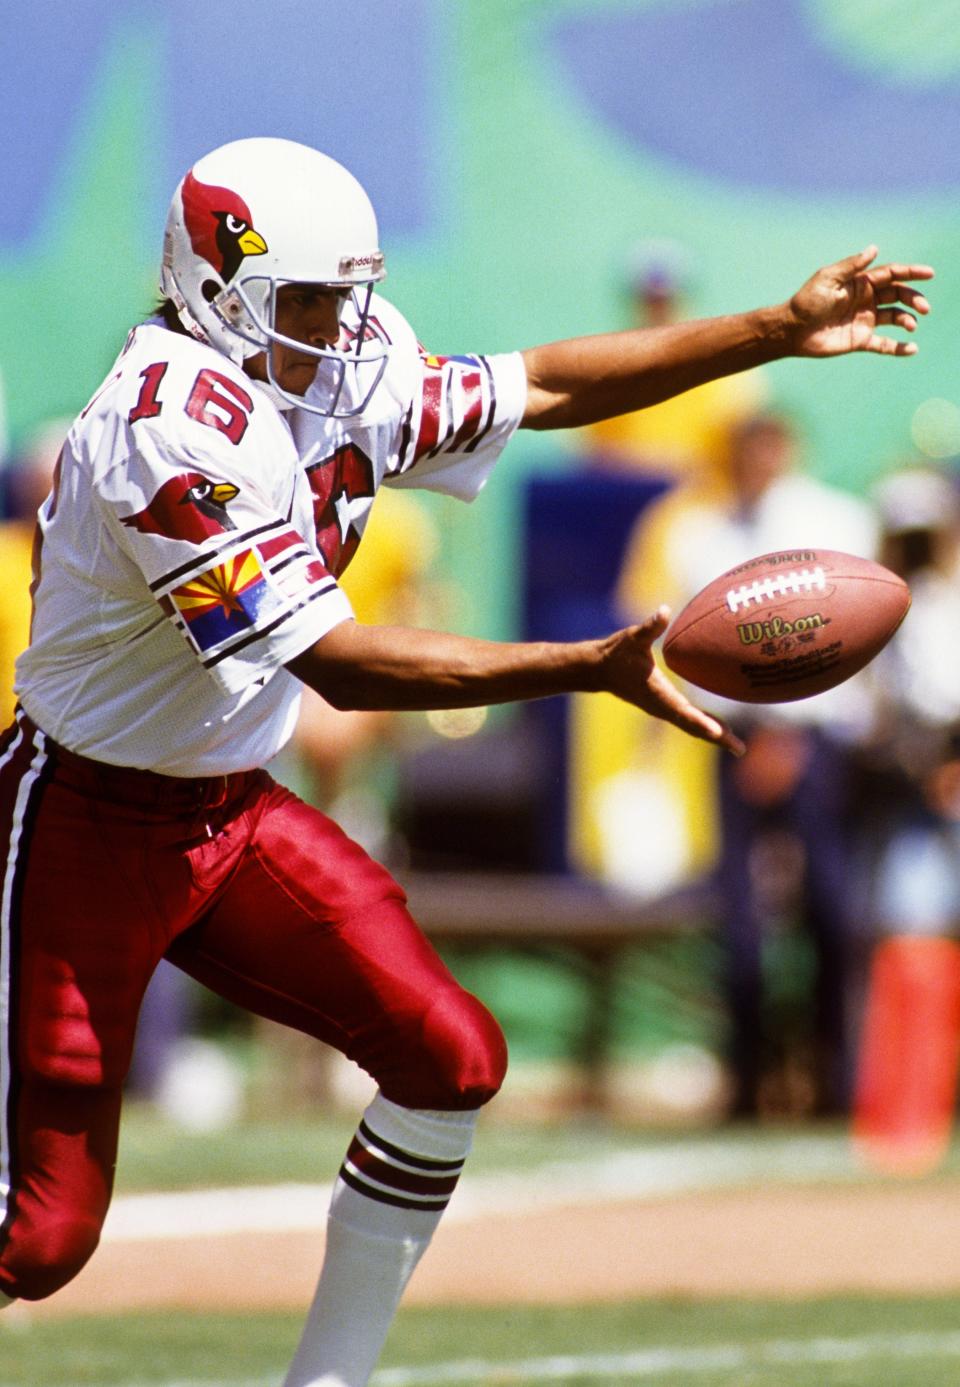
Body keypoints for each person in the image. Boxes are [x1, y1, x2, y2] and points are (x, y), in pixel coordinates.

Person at [0, 135, 932, 1386]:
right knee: (42, 1234)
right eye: (313, 303)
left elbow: (541, 386)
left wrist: (774, 326)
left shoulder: (330, 362)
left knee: (451, 1058)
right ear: (219, 288)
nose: (345, 332)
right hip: (75, 820)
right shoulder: (163, 427)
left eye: (349, 297)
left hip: (226, 812)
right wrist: (580, 663)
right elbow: (329, 662)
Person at [617, 412, 881, 1117]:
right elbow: (685, 644)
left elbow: (836, 642)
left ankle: (835, 1083)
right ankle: (746, 1083)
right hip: (731, 736)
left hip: (814, 738)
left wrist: (788, 736)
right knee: (738, 919)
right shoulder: (701, 534)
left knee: (829, 909)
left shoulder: (836, 523)